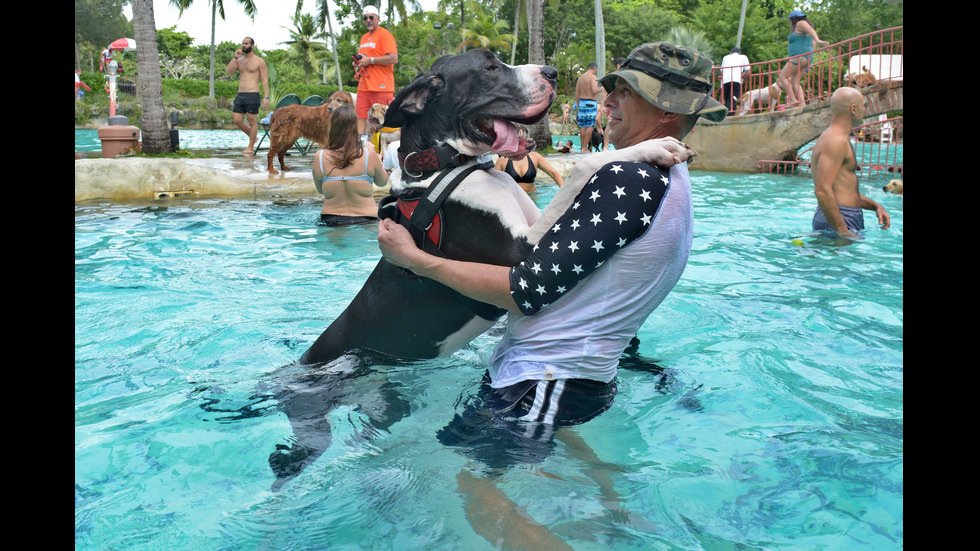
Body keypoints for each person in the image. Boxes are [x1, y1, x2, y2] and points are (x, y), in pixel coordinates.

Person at [377, 41, 725, 548]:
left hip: (546, 376)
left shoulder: (629, 177)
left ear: (667, 110)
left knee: (473, 485)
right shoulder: (674, 176)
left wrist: (419, 262)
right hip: (580, 375)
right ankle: (617, 515)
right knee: (541, 445)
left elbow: (527, 290)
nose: (606, 104)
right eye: (610, 91)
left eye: (623, 94)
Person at [810, 87, 890, 238]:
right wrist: (843, 232)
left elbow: (844, 191)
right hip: (839, 221)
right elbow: (822, 191)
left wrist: (875, 206)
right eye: (864, 105)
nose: (865, 110)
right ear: (853, 108)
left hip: (842, 218)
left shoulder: (837, 138)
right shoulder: (835, 141)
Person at [312, 105, 389, 226]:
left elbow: (321, 190)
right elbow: (382, 182)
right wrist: (378, 160)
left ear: (332, 126)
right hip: (367, 220)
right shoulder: (368, 155)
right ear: (355, 127)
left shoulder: (320, 157)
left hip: (331, 221)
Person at [354, 5, 398, 137]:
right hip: (364, 87)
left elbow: (393, 58)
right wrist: (358, 62)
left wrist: (371, 60)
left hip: (381, 87)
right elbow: (364, 58)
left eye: (371, 17)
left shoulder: (385, 35)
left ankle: (387, 154)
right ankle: (360, 151)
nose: (368, 20)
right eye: (365, 18)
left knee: (386, 121)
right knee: (360, 117)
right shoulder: (364, 38)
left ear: (378, 18)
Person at [225, 37, 270, 156]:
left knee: (252, 121)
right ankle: (253, 137)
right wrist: (235, 57)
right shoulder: (239, 60)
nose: (244, 45)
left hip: (253, 94)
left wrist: (266, 97)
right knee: (237, 120)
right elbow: (228, 71)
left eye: (246, 43)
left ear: (253, 45)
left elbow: (264, 79)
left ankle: (250, 147)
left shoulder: (259, 61)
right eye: (243, 43)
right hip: (240, 95)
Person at [777, 10, 829, 109]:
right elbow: (812, 43)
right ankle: (802, 104)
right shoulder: (804, 29)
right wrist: (810, 60)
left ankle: (792, 100)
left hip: (798, 57)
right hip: (805, 58)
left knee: (783, 77)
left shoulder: (800, 23)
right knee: (795, 82)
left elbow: (810, 30)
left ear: (793, 19)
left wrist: (819, 40)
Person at [492, 124, 565, 193]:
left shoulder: (535, 157)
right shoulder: (503, 160)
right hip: (512, 199)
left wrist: (564, 192)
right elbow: (493, 182)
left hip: (532, 198)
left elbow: (554, 173)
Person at [574, 61, 604, 153]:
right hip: (590, 102)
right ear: (594, 68)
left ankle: (583, 147)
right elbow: (594, 90)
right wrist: (602, 88)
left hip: (582, 102)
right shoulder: (593, 77)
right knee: (590, 126)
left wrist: (579, 104)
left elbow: (576, 93)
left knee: (582, 126)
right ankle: (584, 148)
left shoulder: (581, 78)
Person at [720, 47, 750, 112]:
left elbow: (721, 70)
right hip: (736, 80)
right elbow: (748, 71)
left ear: (730, 53)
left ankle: (723, 113)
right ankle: (730, 114)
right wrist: (742, 75)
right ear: (739, 53)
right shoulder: (743, 57)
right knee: (734, 98)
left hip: (725, 80)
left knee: (726, 98)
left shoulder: (725, 57)